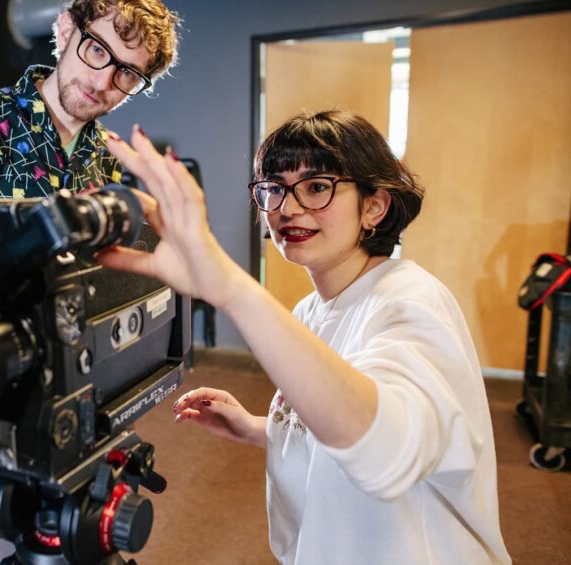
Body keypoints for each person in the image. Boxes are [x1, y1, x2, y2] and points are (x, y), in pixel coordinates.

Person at [96, 110, 511, 564]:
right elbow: (331, 426)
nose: (288, 208)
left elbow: (385, 451)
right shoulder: (311, 310)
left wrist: (229, 287)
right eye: (274, 188)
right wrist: (262, 428)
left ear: (374, 206)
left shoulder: (412, 300)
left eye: (316, 187)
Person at [0, 1, 180, 563]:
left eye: (128, 73)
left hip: (83, 420)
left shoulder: (105, 160)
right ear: (66, 29)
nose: (104, 81)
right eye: (98, 51)